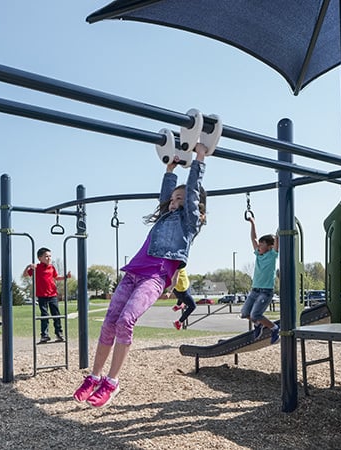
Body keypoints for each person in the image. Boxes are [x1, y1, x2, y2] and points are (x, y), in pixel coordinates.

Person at [72, 142, 210, 408]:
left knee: (125, 321)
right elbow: (165, 197)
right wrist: (170, 170)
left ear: (196, 208)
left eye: (179, 200)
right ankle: (94, 376)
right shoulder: (164, 216)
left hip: (155, 277)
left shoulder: (189, 222)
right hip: (133, 273)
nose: (174, 202)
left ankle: (112, 383)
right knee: (109, 321)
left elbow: (192, 192)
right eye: (173, 199)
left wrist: (199, 159)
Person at [239, 215, 280, 344]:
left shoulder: (272, 255)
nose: (258, 246)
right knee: (245, 313)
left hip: (266, 291)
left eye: (261, 244)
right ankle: (258, 324)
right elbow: (254, 238)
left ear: (269, 246)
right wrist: (252, 222)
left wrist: (280, 225)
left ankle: (274, 328)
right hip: (255, 290)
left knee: (255, 314)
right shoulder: (258, 254)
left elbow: (277, 240)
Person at [24, 247, 71, 343]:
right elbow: (25, 275)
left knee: (56, 314)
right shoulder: (36, 268)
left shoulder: (52, 267)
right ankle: (44, 335)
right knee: (44, 315)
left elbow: (56, 277)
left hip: (53, 295)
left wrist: (66, 276)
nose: (49, 258)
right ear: (40, 258)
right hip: (42, 296)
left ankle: (59, 334)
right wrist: (28, 266)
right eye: (46, 256)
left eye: (50, 256)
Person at [170, 266, 197, 330]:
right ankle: (179, 322)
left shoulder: (170, 265)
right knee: (192, 306)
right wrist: (169, 290)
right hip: (182, 291)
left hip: (180, 289)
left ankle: (178, 305)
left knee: (187, 285)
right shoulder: (177, 266)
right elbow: (175, 279)